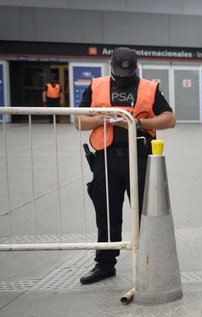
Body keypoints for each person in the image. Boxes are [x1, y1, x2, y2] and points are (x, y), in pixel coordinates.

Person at [74, 47, 176, 285]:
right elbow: (78, 120)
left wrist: (137, 122)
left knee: (145, 213)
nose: (122, 77)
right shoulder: (96, 86)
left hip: (140, 157)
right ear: (110, 66)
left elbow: (169, 118)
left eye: (127, 73)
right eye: (119, 72)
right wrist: (102, 119)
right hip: (106, 159)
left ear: (137, 68)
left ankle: (149, 261)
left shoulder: (149, 88)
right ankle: (105, 265)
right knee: (106, 214)